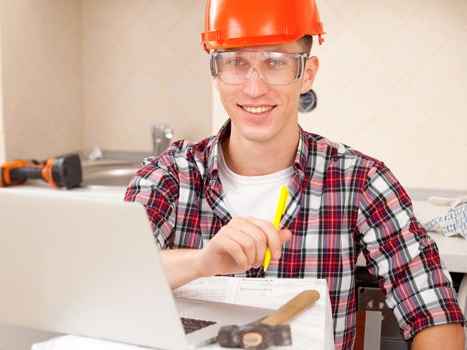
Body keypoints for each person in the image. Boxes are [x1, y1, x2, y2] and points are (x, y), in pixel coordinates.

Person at [124, 0, 465, 349]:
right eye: (236, 62)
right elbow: (112, 278)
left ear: (308, 72)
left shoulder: (361, 182)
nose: (254, 88)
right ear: (216, 72)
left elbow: (434, 315)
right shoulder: (168, 175)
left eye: (275, 62)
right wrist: (201, 262)